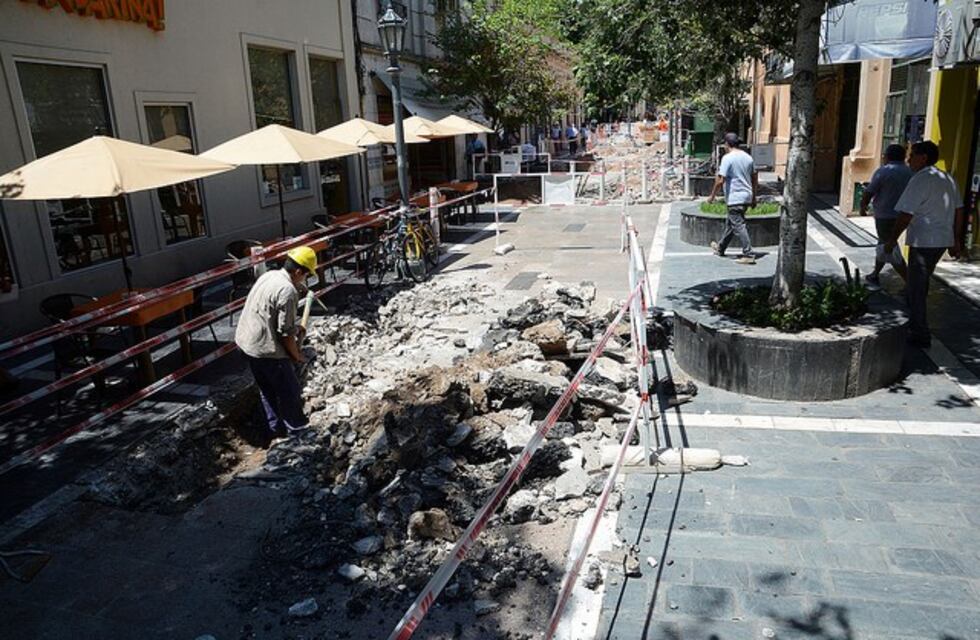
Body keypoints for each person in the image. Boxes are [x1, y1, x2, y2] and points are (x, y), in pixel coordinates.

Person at [885, 140, 965, 348]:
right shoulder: (947, 178)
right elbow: (958, 210)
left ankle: (920, 332)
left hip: (924, 241)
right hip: (941, 240)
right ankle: (914, 320)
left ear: (924, 157)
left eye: (912, 155)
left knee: (916, 287)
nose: (908, 159)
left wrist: (893, 238)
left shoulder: (920, 180)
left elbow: (905, 214)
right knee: (919, 282)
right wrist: (955, 239)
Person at [235, 246, 318, 436]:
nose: (304, 280)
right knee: (289, 390)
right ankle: (297, 430)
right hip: (265, 349)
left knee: (267, 388)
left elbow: (269, 314)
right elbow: (285, 334)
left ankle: (276, 430)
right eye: (306, 275)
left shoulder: (270, 275)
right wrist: (297, 356)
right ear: (298, 271)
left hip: (246, 343)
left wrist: (297, 328)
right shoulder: (288, 291)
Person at [860, 144, 912, 285]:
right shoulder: (910, 172)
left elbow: (869, 192)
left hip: (885, 215)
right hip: (904, 214)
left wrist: (862, 207)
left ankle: (909, 282)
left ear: (887, 156)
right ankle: (875, 273)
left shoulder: (883, 171)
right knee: (883, 243)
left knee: (890, 247)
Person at [708, 132, 758, 265]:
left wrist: (712, 196)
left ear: (727, 144)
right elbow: (754, 177)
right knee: (731, 224)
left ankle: (748, 254)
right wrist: (754, 197)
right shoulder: (748, 157)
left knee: (739, 225)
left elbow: (720, 180)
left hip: (735, 197)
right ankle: (720, 248)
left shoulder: (727, 158)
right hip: (746, 196)